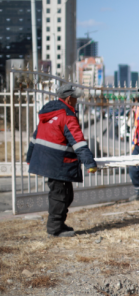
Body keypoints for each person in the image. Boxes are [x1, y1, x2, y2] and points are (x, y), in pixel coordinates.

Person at [26, 84, 98, 237]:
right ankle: (54, 230)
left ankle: (59, 224)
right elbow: (78, 141)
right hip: (58, 163)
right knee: (59, 196)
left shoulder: (49, 113)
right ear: (68, 98)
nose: (76, 100)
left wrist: (29, 157)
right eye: (75, 97)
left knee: (67, 195)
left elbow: (34, 137)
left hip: (49, 161)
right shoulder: (66, 115)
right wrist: (89, 163)